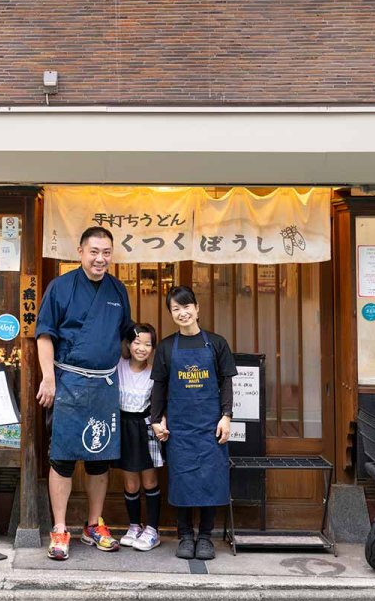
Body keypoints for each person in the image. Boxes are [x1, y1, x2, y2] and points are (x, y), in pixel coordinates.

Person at [36, 226, 132, 561]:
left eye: (106, 252)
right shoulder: (60, 287)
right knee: (61, 458)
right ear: (80, 252)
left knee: (100, 459)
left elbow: (125, 338)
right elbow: (44, 335)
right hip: (69, 382)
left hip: (104, 384)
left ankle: (93, 525)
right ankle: (60, 529)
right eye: (94, 251)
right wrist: (48, 378)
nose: (100, 259)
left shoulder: (118, 290)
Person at [150, 285, 235, 561]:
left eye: (187, 306)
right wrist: (155, 420)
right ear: (171, 314)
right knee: (182, 479)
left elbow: (226, 384)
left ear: (197, 308)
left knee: (210, 479)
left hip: (210, 426)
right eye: (176, 309)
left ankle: (206, 536)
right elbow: (159, 388)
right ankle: (185, 535)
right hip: (180, 428)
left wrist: (226, 416)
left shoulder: (217, 343)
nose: (182, 312)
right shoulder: (165, 347)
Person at [115, 323, 163, 552]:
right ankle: (134, 525)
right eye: (137, 342)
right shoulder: (118, 366)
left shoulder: (154, 373)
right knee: (130, 481)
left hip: (145, 427)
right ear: (128, 343)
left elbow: (161, 404)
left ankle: (153, 529)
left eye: (147, 344)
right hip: (123, 426)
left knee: (150, 480)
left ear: (153, 348)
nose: (142, 348)